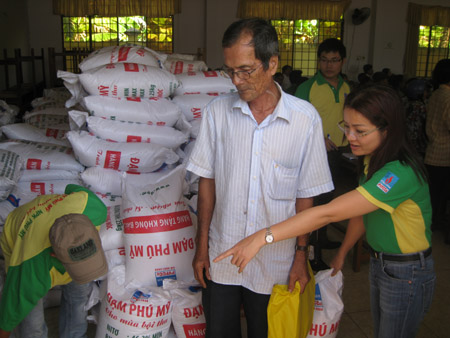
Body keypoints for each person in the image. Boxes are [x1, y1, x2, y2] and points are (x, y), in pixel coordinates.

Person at [215, 84, 436, 338]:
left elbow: (328, 213)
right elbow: (363, 213)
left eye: (360, 131)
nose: (350, 137)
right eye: (347, 127)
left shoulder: (398, 173)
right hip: (383, 265)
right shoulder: (373, 161)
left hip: (406, 271)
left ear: (388, 130)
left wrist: (262, 237)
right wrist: (343, 252)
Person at [186, 18, 333, 338]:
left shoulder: (304, 120)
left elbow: (306, 197)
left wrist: (300, 257)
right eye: (230, 70)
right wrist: (201, 248)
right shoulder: (217, 113)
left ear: (272, 64)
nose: (237, 81)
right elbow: (206, 182)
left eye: (246, 70)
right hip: (222, 256)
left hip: (277, 262)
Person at [0, 184, 108, 338]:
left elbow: (71, 187)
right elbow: (8, 317)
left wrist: (60, 207)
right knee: (32, 321)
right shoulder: (31, 265)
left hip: (50, 217)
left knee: (80, 292)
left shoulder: (95, 207)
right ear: (55, 256)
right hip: (18, 230)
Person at [295, 38, 351, 269]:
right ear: (319, 61)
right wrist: (318, 140)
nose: (329, 65)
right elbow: (295, 123)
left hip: (340, 152)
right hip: (313, 154)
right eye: (324, 60)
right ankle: (310, 254)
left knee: (329, 200)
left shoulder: (347, 87)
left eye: (334, 60)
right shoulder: (307, 88)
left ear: (342, 61)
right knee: (313, 204)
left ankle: (322, 238)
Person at [424, 59, 450, 242]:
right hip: (445, 154)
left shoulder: (436, 94)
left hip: (432, 150)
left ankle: (429, 223)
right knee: (441, 195)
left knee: (432, 193)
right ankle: (434, 225)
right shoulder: (449, 97)